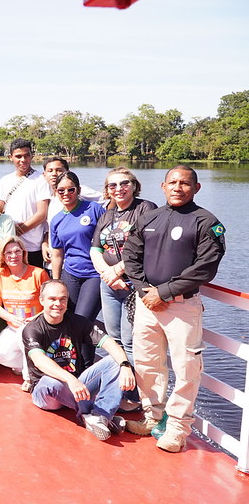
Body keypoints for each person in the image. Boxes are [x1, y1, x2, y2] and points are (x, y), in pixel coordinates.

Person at [122, 165, 226, 453]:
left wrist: (165, 292)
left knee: (186, 370)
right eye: (173, 182)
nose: (178, 187)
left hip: (182, 308)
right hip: (147, 304)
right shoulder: (150, 217)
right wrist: (145, 290)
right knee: (147, 364)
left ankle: (177, 430)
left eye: (185, 183)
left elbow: (205, 267)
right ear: (163, 186)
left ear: (196, 188)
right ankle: (152, 417)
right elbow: (131, 254)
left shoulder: (206, 222)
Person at [25, 280, 136, 441]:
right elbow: (39, 360)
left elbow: (110, 343)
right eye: (52, 299)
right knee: (52, 383)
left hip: (77, 386)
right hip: (48, 393)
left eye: (63, 299)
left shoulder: (78, 322)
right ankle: (95, 413)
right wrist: (70, 379)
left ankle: (100, 415)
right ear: (41, 300)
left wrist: (125, 366)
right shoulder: (33, 329)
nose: (58, 304)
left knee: (115, 361)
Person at [89, 167, 157, 357]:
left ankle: (133, 385)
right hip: (109, 284)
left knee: (129, 340)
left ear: (134, 186)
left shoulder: (145, 208)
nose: (118, 188)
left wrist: (117, 270)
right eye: (113, 185)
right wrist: (108, 275)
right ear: (107, 190)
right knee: (114, 338)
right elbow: (95, 250)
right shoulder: (107, 215)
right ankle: (119, 383)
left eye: (124, 183)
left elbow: (147, 246)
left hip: (133, 283)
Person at [0, 236, 49, 391]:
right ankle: (31, 364)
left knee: (25, 330)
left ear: (23, 253)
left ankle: (30, 378)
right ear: (3, 256)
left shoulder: (38, 274)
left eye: (17, 251)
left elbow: (49, 304)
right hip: (13, 324)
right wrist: (11, 318)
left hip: (37, 326)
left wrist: (32, 320)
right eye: (8, 253)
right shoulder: (1, 274)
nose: (13, 256)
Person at [49, 171, 105, 323]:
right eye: (61, 190)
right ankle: (76, 347)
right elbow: (57, 253)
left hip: (94, 273)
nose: (66, 193)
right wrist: (56, 281)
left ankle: (99, 343)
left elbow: (109, 240)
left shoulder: (93, 209)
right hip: (71, 272)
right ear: (56, 192)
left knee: (83, 319)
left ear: (78, 190)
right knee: (66, 317)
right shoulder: (56, 220)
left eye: (71, 189)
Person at [0, 138, 51, 268]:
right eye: (18, 156)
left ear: (32, 156)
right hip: (9, 245)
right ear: (10, 157)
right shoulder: (5, 181)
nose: (23, 160)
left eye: (27, 155)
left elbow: (42, 214)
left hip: (32, 245)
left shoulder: (40, 180)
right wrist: (8, 232)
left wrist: (19, 230)